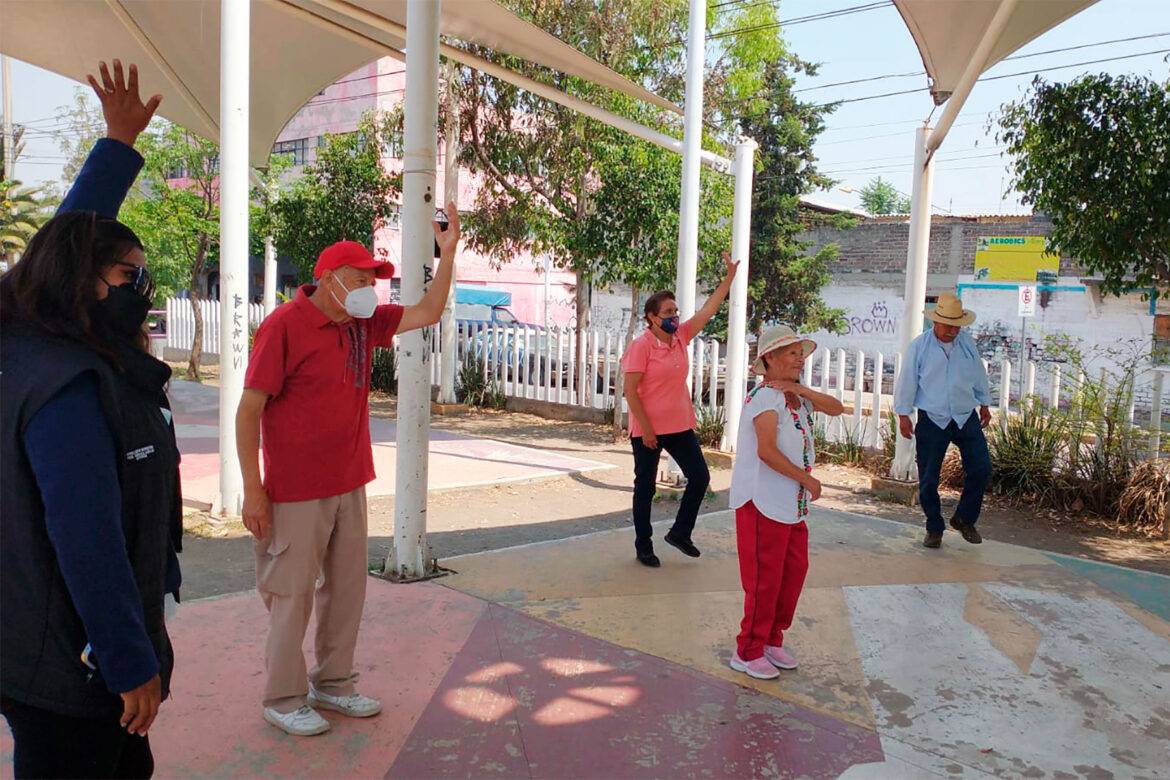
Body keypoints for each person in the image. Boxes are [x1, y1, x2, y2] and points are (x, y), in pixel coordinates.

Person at [1, 61, 180, 778]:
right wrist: (126, 657)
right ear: (82, 282)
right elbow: (86, 535)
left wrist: (117, 144)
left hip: (22, 643)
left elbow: (65, 239)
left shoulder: (22, 336)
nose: (140, 292)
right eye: (128, 278)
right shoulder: (69, 383)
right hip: (69, 668)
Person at [236, 207, 462, 737]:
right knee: (291, 594)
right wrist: (253, 490)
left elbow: (429, 311)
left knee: (345, 590)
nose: (371, 291)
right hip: (294, 492)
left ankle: (334, 683)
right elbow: (249, 410)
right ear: (330, 280)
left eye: (373, 281)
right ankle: (284, 697)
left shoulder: (364, 323)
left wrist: (447, 252)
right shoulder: (283, 327)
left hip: (349, 482)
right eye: (361, 280)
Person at [727, 325, 843, 680]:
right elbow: (766, 451)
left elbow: (837, 407)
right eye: (791, 353)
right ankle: (748, 649)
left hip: (791, 507)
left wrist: (798, 388)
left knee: (792, 573)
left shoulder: (794, 395)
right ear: (770, 359)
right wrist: (805, 478)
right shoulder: (764, 398)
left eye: (800, 353)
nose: (798, 359)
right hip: (762, 502)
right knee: (764, 579)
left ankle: (771, 639)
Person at [621, 253, 739, 567]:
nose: (674, 315)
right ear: (651, 317)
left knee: (699, 478)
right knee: (644, 486)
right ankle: (643, 545)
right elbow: (630, 391)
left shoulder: (681, 337)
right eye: (668, 311)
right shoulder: (641, 346)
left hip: (679, 424)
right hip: (647, 427)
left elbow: (708, 310)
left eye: (676, 310)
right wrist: (646, 429)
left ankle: (680, 532)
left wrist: (728, 277)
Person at [893, 292, 993, 549]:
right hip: (932, 417)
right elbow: (907, 382)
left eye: (956, 325)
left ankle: (964, 518)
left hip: (964, 414)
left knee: (981, 467)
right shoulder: (920, 346)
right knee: (928, 479)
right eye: (947, 325)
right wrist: (903, 415)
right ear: (936, 322)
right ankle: (934, 527)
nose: (952, 330)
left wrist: (984, 403)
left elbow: (978, 374)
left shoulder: (967, 343)